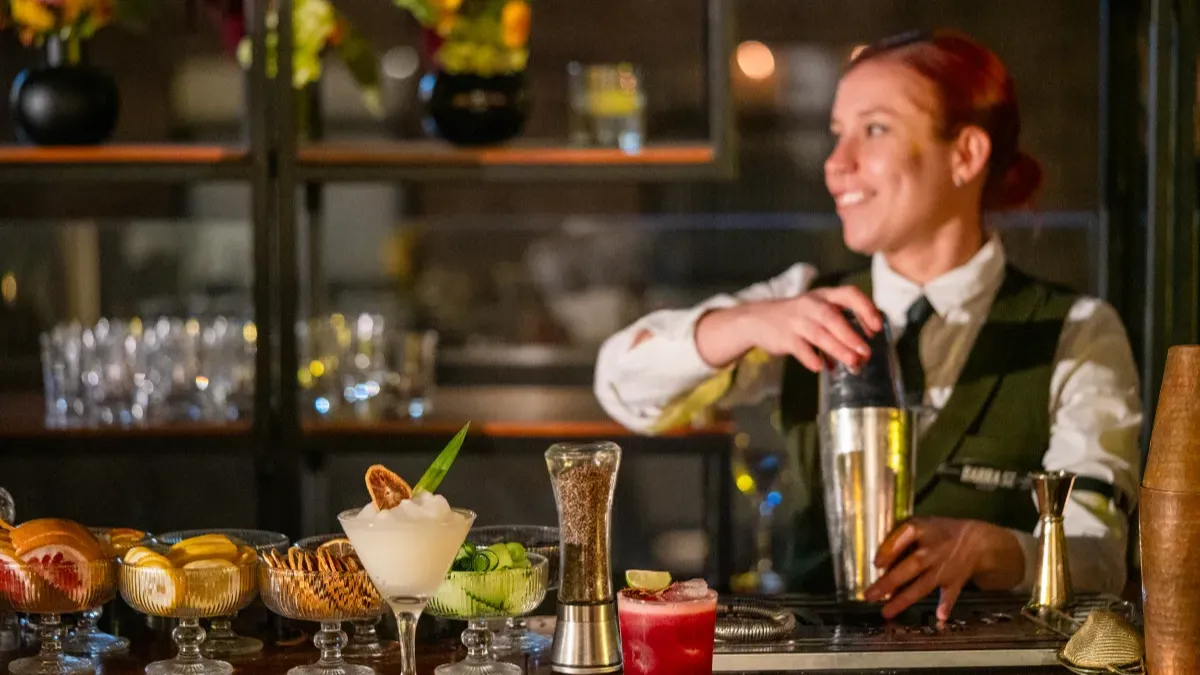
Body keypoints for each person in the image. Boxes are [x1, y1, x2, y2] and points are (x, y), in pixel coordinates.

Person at [593, 30, 1141, 621]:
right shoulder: (802, 301)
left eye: (874, 129)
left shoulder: (1076, 330)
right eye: (837, 134)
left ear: (965, 155)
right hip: (815, 656)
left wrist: (997, 549)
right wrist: (744, 324)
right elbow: (625, 390)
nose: (836, 164)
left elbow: (1101, 559)